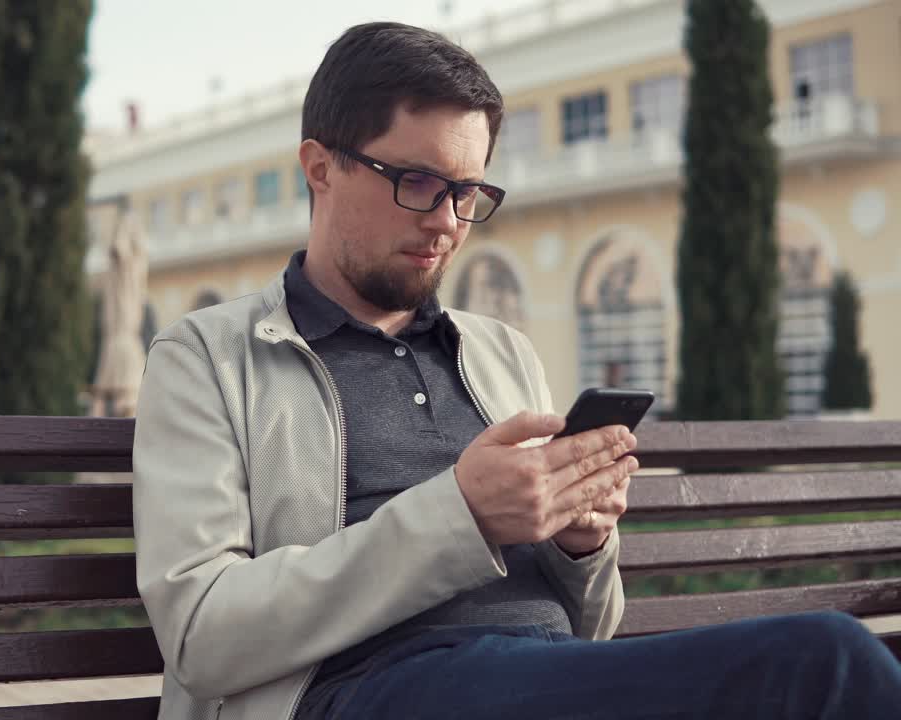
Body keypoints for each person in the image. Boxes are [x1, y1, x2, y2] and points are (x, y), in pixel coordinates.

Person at [132, 21, 901, 720]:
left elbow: (591, 629)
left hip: (541, 678)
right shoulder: (208, 357)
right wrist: (459, 515)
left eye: (468, 193)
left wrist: (581, 545)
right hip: (360, 691)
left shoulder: (502, 355)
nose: (445, 222)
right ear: (319, 167)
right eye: (419, 184)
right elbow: (201, 635)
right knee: (826, 665)